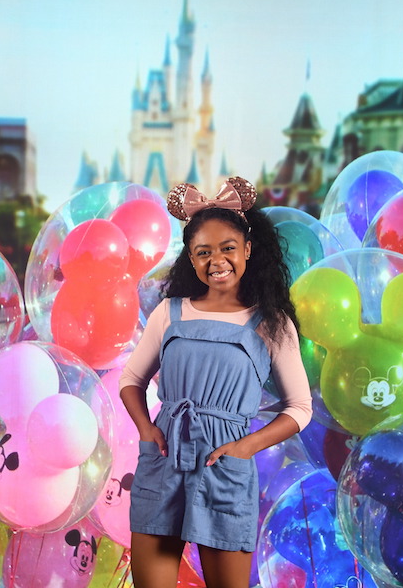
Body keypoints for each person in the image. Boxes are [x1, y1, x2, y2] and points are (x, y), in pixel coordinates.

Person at [118, 177, 313, 588]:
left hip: (224, 463)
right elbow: (131, 380)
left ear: (247, 249)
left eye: (227, 248)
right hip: (164, 457)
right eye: (203, 252)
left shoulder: (271, 323)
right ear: (190, 258)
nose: (216, 260)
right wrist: (146, 430)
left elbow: (299, 408)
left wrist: (246, 447)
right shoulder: (168, 313)